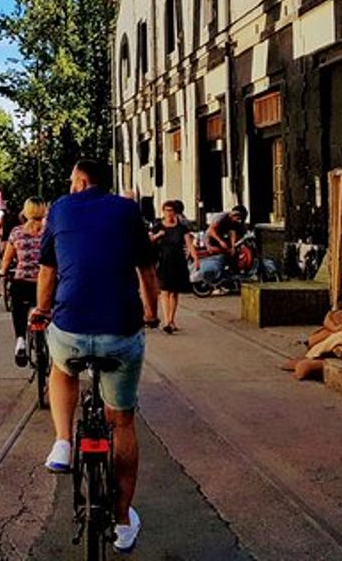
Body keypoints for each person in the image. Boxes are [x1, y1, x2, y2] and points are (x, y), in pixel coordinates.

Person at [32, 158, 159, 553]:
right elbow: (147, 271)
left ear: (82, 181)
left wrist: (43, 308)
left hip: (70, 327)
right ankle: (122, 522)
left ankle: (63, 442)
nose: (70, 187)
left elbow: (48, 272)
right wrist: (152, 312)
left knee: (61, 369)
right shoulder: (126, 210)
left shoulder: (60, 208)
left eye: (72, 181)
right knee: (121, 421)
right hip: (121, 330)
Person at [0, 198, 45, 366]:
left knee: (18, 307)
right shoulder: (51, 232)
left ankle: (20, 341)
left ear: (25, 212)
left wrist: (3, 271)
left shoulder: (17, 233)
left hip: (23, 282)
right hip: (45, 284)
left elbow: (7, 259)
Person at [150, 200, 197, 334]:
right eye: (166, 210)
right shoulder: (158, 226)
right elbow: (150, 240)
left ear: (175, 212)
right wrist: (158, 235)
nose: (169, 213)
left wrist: (195, 258)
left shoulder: (182, 227)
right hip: (164, 261)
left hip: (178, 261)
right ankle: (166, 321)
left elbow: (189, 244)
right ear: (163, 212)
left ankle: (171, 319)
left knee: (174, 292)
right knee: (165, 291)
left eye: (171, 211)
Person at [197, 204, 248, 282]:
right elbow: (211, 231)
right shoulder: (221, 217)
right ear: (234, 215)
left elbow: (232, 233)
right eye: (237, 218)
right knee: (219, 252)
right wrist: (219, 241)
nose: (237, 221)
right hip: (211, 238)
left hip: (222, 238)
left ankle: (230, 273)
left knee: (231, 253)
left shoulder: (233, 223)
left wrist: (233, 247)